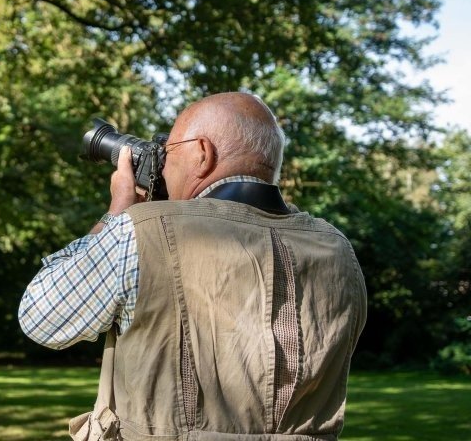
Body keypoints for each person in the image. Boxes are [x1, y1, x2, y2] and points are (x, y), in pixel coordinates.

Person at [19, 92, 367, 440]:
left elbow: (42, 318)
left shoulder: (141, 232)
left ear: (203, 153)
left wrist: (116, 213)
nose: (164, 166)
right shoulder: (335, 248)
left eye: (167, 151)